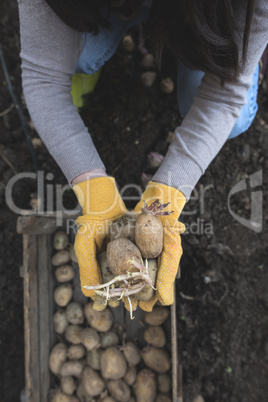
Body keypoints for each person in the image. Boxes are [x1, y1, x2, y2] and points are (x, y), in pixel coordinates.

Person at [17, 0, 268, 311]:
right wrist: (91, 186)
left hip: (206, 14)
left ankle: (229, 51)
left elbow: (225, 93)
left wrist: (173, 187)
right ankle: (125, 27)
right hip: (115, 8)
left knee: (237, 116)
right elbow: (44, 79)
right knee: (75, 53)